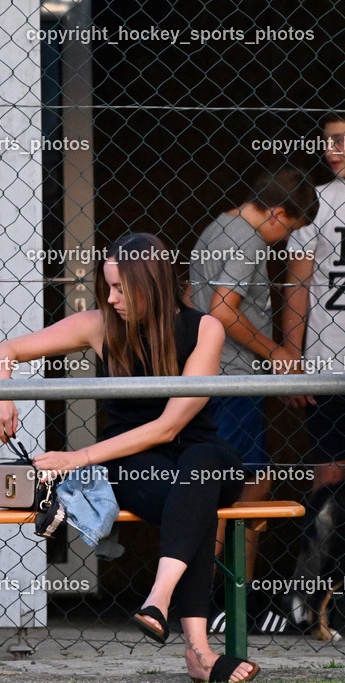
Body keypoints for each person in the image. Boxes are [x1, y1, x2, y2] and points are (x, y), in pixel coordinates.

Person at [0, 233, 257, 683]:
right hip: (136, 465)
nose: (111, 299)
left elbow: (169, 427)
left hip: (202, 457)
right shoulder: (100, 325)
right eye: (107, 288)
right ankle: (199, 653)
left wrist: (78, 457)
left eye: (120, 289)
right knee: (195, 502)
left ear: (151, 284)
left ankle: (159, 598)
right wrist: (0, 392)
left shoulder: (205, 328)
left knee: (203, 465)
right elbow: (6, 350)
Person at [187, 167, 315, 583]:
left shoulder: (218, 226)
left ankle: (216, 596)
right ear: (277, 213)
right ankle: (216, 595)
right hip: (233, 378)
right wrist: (277, 353)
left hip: (206, 373)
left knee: (228, 483)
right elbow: (224, 310)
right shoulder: (250, 240)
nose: (285, 240)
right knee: (249, 485)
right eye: (290, 229)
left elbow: (191, 297)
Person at [282, 113, 345, 621]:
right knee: (329, 479)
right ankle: (306, 601)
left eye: (342, 140)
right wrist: (291, 357)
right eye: (328, 142)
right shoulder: (315, 203)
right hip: (329, 365)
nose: (333, 150)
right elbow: (297, 284)